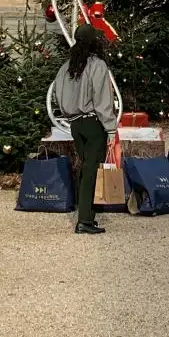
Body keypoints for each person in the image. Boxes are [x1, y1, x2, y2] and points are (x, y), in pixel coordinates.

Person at [51, 25, 118, 235]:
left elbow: (57, 97)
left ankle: (86, 212)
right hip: (92, 123)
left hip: (76, 124)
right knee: (90, 170)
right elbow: (102, 100)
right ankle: (85, 220)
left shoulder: (66, 67)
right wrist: (110, 128)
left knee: (84, 168)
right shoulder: (97, 65)